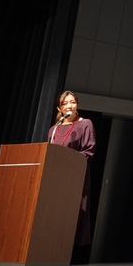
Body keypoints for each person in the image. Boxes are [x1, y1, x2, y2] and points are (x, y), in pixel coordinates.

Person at [48, 90, 96, 252]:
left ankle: (66, 252)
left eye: (72, 102)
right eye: (65, 103)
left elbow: (88, 151)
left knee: (72, 215)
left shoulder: (85, 124)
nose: (69, 106)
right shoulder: (53, 130)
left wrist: (69, 165)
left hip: (75, 177)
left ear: (77, 105)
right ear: (59, 108)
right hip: (55, 179)